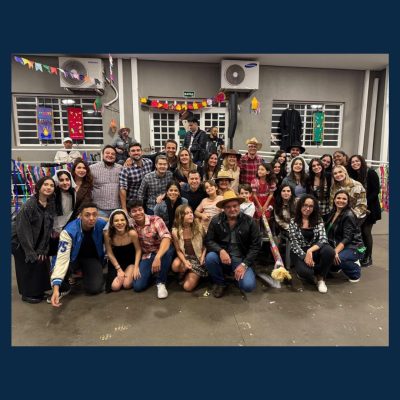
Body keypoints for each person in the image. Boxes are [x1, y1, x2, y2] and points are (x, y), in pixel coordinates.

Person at [50, 202, 107, 307]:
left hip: (90, 259)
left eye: (94, 215)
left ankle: (82, 274)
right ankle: (65, 283)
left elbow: (114, 220)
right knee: (59, 279)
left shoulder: (101, 224)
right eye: (87, 215)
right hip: (71, 259)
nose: (91, 218)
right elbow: (62, 259)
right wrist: (56, 288)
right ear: (80, 216)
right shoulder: (69, 231)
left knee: (94, 288)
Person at [205, 190, 260, 298]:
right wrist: (220, 250)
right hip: (223, 257)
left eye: (235, 206)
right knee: (210, 257)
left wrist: (244, 264)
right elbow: (208, 240)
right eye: (228, 207)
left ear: (239, 206)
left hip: (241, 259)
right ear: (223, 208)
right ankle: (220, 283)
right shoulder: (216, 220)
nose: (232, 209)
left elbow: (256, 246)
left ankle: (235, 274)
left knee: (248, 286)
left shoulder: (250, 221)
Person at [11, 176, 55, 303]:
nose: (48, 187)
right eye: (45, 184)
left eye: (51, 185)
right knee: (27, 265)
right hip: (19, 241)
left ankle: (38, 291)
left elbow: (48, 227)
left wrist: (42, 249)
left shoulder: (50, 204)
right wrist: (30, 251)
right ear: (39, 187)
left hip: (37, 239)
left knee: (40, 262)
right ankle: (27, 294)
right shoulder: (29, 205)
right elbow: (23, 231)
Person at [288, 195, 335, 293]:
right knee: (305, 272)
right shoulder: (293, 221)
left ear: (314, 208)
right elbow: (294, 244)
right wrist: (305, 256)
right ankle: (312, 272)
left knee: (329, 251)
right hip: (299, 251)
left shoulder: (318, 220)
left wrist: (310, 250)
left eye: (311, 206)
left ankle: (321, 278)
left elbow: (323, 239)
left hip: (314, 249)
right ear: (300, 206)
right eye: (305, 205)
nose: (308, 208)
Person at [128, 200, 174, 299]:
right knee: (138, 286)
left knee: (168, 250)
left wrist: (158, 257)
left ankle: (161, 282)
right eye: (134, 211)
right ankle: (153, 274)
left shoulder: (155, 219)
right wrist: (136, 266)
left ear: (143, 209)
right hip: (147, 254)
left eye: (140, 209)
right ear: (130, 214)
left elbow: (166, 238)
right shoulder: (131, 225)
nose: (138, 213)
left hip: (162, 250)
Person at [347, 154, 381, 267]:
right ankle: (362, 254)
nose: (355, 163)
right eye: (352, 162)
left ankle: (368, 257)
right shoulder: (353, 175)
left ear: (362, 161)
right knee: (359, 234)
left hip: (370, 208)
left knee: (366, 232)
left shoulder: (370, 173)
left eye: (357, 161)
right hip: (357, 209)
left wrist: (364, 203)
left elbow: (376, 191)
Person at [325, 190, 364, 282]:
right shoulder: (334, 212)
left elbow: (348, 238)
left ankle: (355, 271)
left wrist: (335, 252)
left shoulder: (349, 215)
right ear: (334, 200)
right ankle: (338, 265)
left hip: (357, 247)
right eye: (338, 198)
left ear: (348, 201)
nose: (341, 200)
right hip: (341, 245)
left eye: (344, 199)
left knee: (338, 258)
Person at [104, 209, 141, 292]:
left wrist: (136, 267)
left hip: (130, 261)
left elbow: (138, 250)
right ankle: (123, 275)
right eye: (116, 221)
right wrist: (118, 269)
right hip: (116, 263)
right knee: (115, 287)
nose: (120, 223)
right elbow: (109, 253)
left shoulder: (132, 233)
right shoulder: (108, 235)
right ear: (112, 223)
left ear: (126, 222)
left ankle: (128, 275)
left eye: (122, 220)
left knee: (126, 285)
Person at [171, 205, 207, 291]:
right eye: (187, 213)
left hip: (198, 258)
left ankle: (194, 274)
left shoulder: (199, 226)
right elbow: (178, 250)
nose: (191, 215)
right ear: (180, 216)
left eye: (191, 212)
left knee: (187, 287)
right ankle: (185, 271)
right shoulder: (175, 231)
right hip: (186, 257)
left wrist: (203, 256)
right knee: (175, 266)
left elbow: (206, 244)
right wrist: (185, 261)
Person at [90, 145, 122, 218]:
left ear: (115, 156)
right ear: (102, 154)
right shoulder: (92, 168)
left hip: (117, 209)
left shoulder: (120, 168)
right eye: (107, 153)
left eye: (113, 154)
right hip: (99, 209)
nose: (110, 155)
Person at [119, 143, 153, 212]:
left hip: (147, 201)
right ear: (129, 153)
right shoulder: (126, 169)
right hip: (132, 203)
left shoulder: (149, 162)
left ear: (142, 152)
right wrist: (124, 208)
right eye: (133, 151)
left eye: (138, 150)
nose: (136, 152)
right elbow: (122, 189)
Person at [49, 169, 76, 256]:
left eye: (67, 179)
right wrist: (55, 230)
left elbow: (71, 213)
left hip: (68, 228)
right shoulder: (53, 195)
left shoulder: (73, 193)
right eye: (61, 180)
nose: (65, 182)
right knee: (56, 255)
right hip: (54, 231)